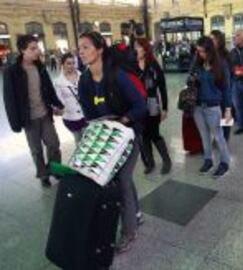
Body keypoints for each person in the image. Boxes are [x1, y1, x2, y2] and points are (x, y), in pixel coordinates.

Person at [77, 31, 147, 253]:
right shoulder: (85, 80)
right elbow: (88, 113)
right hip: (105, 136)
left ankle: (129, 231)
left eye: (86, 47)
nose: (81, 52)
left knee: (122, 180)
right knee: (120, 179)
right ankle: (135, 214)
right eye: (79, 48)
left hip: (128, 134)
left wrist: (122, 121)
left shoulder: (118, 75)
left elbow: (140, 106)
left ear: (99, 50)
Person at [3, 34, 64, 187]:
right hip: (28, 119)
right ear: (23, 50)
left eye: (38, 47)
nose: (37, 51)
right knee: (36, 150)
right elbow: (9, 100)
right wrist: (15, 124)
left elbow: (49, 90)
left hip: (44, 114)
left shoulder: (41, 67)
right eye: (33, 48)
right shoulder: (12, 72)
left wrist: (58, 104)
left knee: (53, 144)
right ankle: (43, 175)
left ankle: (55, 169)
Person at [191, 36, 232, 178]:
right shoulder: (197, 64)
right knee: (204, 136)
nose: (200, 54)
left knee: (219, 137)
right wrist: (192, 78)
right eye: (198, 51)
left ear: (210, 50)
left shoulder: (221, 65)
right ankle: (208, 160)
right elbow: (188, 80)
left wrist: (228, 109)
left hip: (213, 107)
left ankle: (224, 163)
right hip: (197, 106)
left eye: (203, 51)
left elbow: (227, 89)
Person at [134, 38, 172, 175]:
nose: (136, 49)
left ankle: (166, 161)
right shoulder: (132, 65)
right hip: (137, 105)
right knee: (144, 136)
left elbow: (162, 87)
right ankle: (150, 163)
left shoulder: (153, 65)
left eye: (138, 47)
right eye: (135, 47)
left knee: (154, 134)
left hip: (152, 104)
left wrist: (165, 108)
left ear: (145, 49)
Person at [54, 53, 87, 144]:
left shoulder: (82, 76)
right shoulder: (58, 82)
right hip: (70, 117)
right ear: (63, 64)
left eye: (73, 63)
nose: (71, 66)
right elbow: (59, 99)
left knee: (87, 140)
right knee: (78, 140)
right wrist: (59, 109)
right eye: (68, 63)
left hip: (85, 114)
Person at [210, 30, 232, 142]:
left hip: (224, 89)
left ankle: (225, 137)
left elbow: (228, 77)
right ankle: (218, 136)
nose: (211, 41)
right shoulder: (210, 55)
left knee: (226, 114)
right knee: (216, 117)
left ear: (219, 40)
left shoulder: (225, 55)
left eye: (213, 39)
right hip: (214, 91)